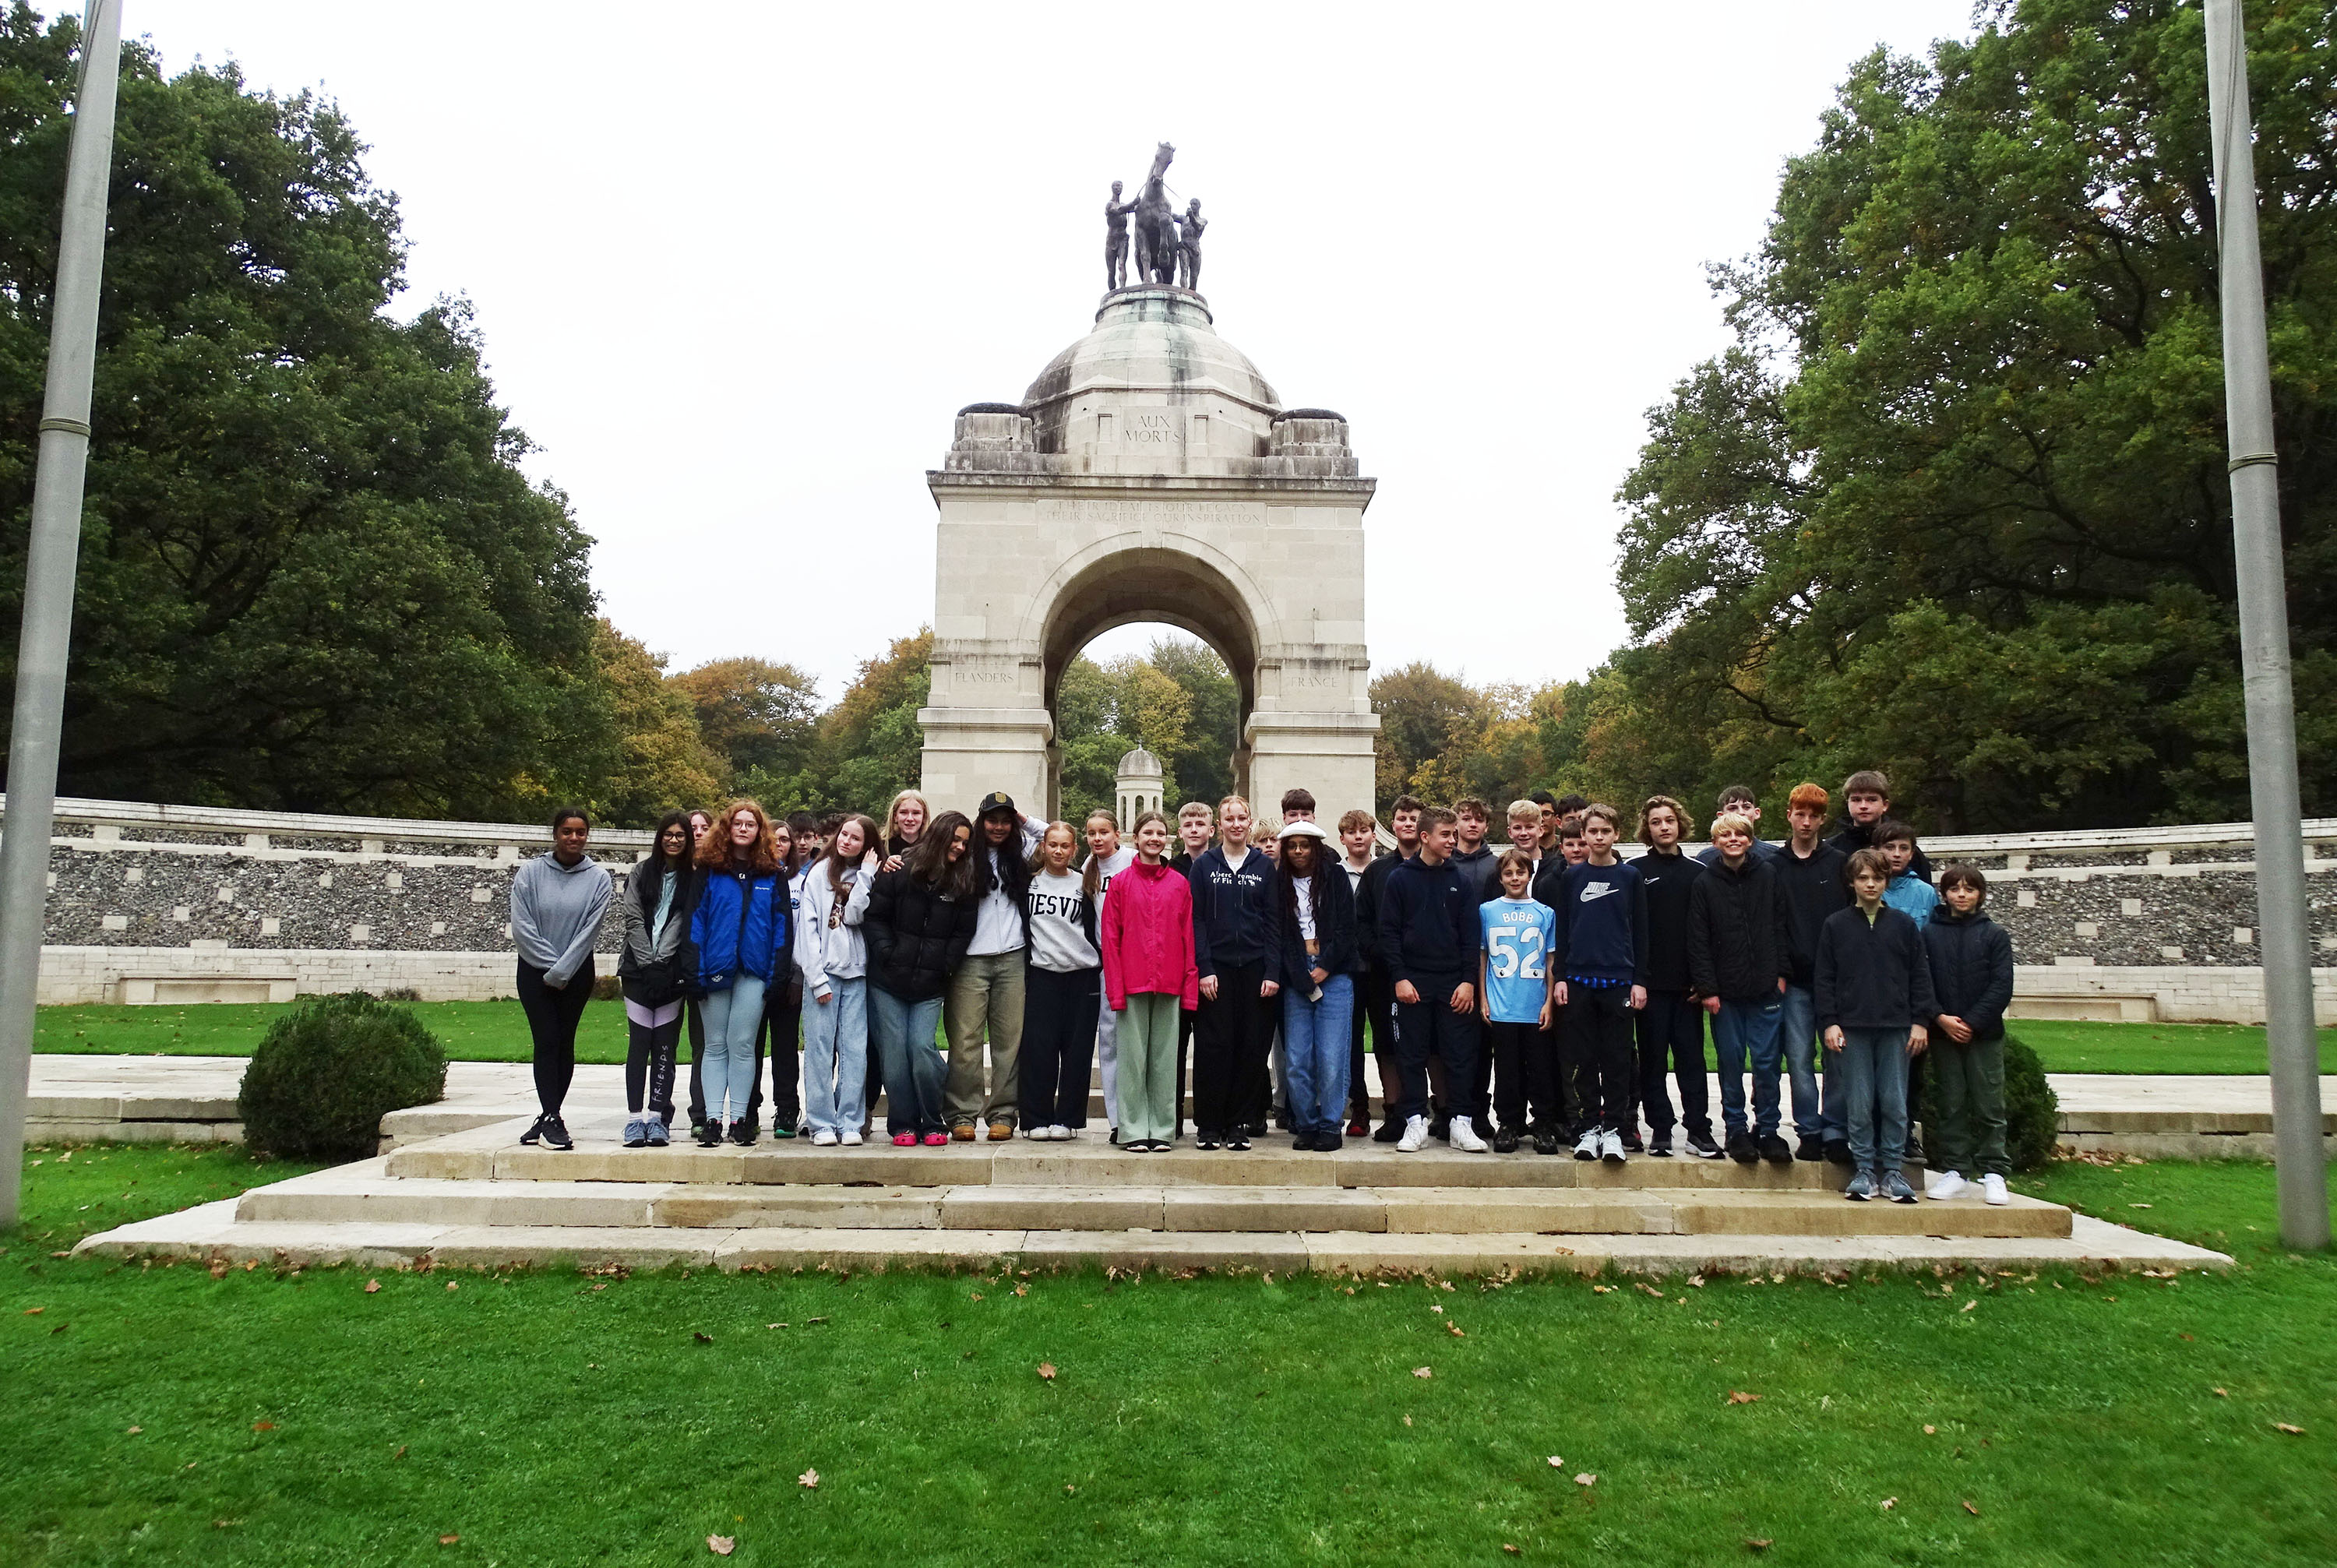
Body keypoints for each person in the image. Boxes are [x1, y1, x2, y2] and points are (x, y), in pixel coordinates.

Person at [1816, 848, 1935, 1203]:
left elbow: (1920, 976)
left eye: (1877, 879)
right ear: (1852, 882)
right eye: (1864, 878)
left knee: (1895, 1101)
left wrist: (1920, 1022)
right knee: (1860, 1101)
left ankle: (1894, 1170)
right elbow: (1825, 978)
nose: (1871, 884)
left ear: (1886, 882)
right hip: (1852, 1027)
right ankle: (1865, 1169)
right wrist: (1830, 1023)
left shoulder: (1903, 925)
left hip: (1896, 1027)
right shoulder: (1836, 925)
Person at [1688, 810, 1796, 1167]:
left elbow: (1780, 925)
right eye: (1726, 835)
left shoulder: (1768, 875)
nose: (1733, 840)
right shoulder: (1705, 883)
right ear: (1715, 842)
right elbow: (1699, 940)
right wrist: (1707, 988)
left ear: (1750, 840)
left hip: (1765, 986)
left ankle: (1768, 1128)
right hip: (1726, 992)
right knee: (1731, 1061)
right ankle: (1735, 1127)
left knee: (1766, 1063)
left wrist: (1781, 973)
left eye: (1740, 835)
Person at [865, 812, 978, 1146]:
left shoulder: (963, 879)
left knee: (922, 1049)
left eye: (964, 843)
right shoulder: (900, 869)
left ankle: (933, 1120)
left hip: (930, 983)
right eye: (955, 839)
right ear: (940, 836)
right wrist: (887, 951)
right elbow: (875, 917)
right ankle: (903, 1123)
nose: (959, 847)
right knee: (894, 1056)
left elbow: (963, 932)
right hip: (888, 980)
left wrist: (946, 963)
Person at [1378, 805, 1484, 1153]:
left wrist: (1468, 981)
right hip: (1412, 983)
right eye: (1446, 834)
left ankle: (1461, 1123)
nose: (1453, 840)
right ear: (1425, 837)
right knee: (1410, 1054)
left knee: (1459, 1055)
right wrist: (1400, 977)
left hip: (1454, 983)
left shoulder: (1461, 881)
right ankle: (1413, 1122)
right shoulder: (1400, 879)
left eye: (1455, 834)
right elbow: (1389, 933)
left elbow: (1471, 937)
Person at [1547, 803, 1647, 1165]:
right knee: (1584, 1059)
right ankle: (1589, 1127)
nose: (1599, 837)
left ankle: (1615, 1130)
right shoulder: (1572, 878)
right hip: (1578, 981)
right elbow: (1564, 929)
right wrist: (1561, 978)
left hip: (1619, 980)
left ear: (1616, 834)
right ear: (1583, 837)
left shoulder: (1629, 877)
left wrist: (1639, 981)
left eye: (1606, 831)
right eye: (1593, 832)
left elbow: (1641, 932)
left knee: (1618, 1059)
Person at [688, 801, 790, 1147]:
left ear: (760, 831)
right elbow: (696, 922)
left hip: (755, 971)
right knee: (715, 1045)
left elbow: (781, 927)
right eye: (738, 823)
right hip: (715, 969)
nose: (744, 828)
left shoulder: (773, 874)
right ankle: (713, 1119)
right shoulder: (708, 870)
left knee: (743, 1045)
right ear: (727, 829)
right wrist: (695, 970)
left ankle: (741, 1119)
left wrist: (777, 974)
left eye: (751, 824)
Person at [511, 807, 613, 1151]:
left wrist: (565, 970)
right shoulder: (529, 873)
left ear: (587, 836)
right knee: (547, 1039)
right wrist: (552, 968)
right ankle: (553, 1118)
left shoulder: (599, 879)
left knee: (565, 1041)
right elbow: (523, 929)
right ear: (555, 833)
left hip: (577, 974)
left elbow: (589, 931)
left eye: (580, 832)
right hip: (534, 973)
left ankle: (548, 1115)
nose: (573, 838)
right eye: (567, 831)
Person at [946, 791, 1044, 1140]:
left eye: (1005, 820)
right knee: (965, 1041)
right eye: (992, 820)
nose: (999, 827)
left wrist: (1025, 820)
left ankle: (1003, 1112)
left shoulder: (1023, 855)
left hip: (1013, 957)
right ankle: (962, 1114)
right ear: (981, 821)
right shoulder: (963, 856)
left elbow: (1053, 837)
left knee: (1009, 1042)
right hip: (971, 959)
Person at [1102, 809, 1198, 1152]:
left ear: (1167, 839)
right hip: (1132, 984)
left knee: (1163, 1060)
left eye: (1160, 833)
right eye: (1148, 833)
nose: (1154, 839)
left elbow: (1188, 938)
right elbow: (1110, 941)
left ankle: (1161, 1128)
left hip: (1170, 984)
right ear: (1135, 838)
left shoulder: (1179, 884)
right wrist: (1115, 990)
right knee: (1132, 1060)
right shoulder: (1122, 885)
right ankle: (1131, 1129)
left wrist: (1189, 989)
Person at [1264, 820, 1362, 1150]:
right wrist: (1300, 975)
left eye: (1305, 845)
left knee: (1332, 1057)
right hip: (1296, 977)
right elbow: (1279, 934)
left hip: (1334, 975)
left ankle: (1330, 1124)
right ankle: (1306, 1123)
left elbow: (1348, 929)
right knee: (1296, 1059)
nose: (1298, 852)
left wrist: (1324, 968)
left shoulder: (1334, 877)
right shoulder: (1280, 883)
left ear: (1316, 847)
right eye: (1292, 846)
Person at [1922, 863, 2016, 1205]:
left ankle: (1994, 1171)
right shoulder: (1929, 934)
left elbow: (2001, 985)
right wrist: (1941, 1018)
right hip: (1943, 1033)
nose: (1961, 895)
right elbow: (1922, 981)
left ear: (1981, 894)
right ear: (1944, 893)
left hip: (1984, 1035)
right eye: (1955, 888)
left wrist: (1972, 1022)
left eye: (1969, 889)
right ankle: (1955, 1169)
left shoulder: (1994, 935)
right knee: (1951, 1102)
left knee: (1989, 1103)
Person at [1190, 795, 1276, 1150]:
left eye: (1242, 818)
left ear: (1250, 821)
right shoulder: (1205, 866)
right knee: (1214, 1047)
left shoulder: (1263, 866)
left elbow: (1274, 922)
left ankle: (1237, 1123)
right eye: (1230, 818)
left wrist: (1272, 970)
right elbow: (1195, 921)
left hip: (1255, 969)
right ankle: (1209, 1124)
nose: (1237, 824)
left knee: (1250, 1047)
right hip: (1217, 971)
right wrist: (1204, 968)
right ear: (1220, 824)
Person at [1775, 783, 1852, 1162]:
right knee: (1799, 1058)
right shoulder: (1773, 866)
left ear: (1822, 819)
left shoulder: (1839, 864)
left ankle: (1836, 1129)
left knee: (1837, 1056)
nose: (1806, 823)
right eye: (1800, 814)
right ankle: (1809, 1129)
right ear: (1789, 814)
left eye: (1814, 816)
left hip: (1836, 980)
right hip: (1796, 980)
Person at [1634, 795, 1711, 1158]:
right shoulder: (1634, 872)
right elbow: (1632, 931)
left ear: (1680, 824)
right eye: (1655, 822)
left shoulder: (1698, 873)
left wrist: (1703, 980)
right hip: (1649, 986)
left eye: (1669, 820)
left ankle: (1698, 1129)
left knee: (1691, 1060)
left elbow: (1705, 932)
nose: (1664, 826)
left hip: (1688, 989)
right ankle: (1660, 1130)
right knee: (1652, 1061)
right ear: (1647, 829)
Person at [795, 813, 879, 1147]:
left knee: (855, 1051)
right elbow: (809, 930)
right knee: (818, 1050)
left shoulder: (868, 874)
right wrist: (816, 979)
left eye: (855, 838)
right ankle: (820, 1122)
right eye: (844, 835)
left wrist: (867, 879)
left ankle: (849, 1121)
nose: (846, 841)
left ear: (867, 845)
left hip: (856, 974)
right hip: (824, 974)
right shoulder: (818, 874)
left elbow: (856, 916)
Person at [1021, 821, 1104, 1141]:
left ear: (1074, 850)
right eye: (1052, 844)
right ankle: (1035, 1118)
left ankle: (1068, 1119)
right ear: (1043, 847)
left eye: (1065, 845)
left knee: (1077, 1051)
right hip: (1042, 974)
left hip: (1081, 976)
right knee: (1038, 1049)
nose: (1058, 850)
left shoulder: (1085, 884)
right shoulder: (1028, 884)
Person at [618, 812, 694, 1148]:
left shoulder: (693, 878)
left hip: (671, 975)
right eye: (669, 834)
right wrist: (647, 962)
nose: (674, 840)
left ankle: (657, 1116)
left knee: (665, 1047)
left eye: (681, 835)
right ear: (659, 837)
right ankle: (635, 1119)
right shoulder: (640, 873)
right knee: (639, 1045)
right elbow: (633, 919)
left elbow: (680, 921)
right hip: (637, 972)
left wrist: (662, 963)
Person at [1480, 849, 1560, 1154]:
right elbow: (1483, 958)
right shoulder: (1488, 911)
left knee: (1540, 1068)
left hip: (1534, 1003)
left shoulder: (1545, 913)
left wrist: (1549, 1003)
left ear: (1530, 875)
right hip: (1502, 1005)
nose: (1515, 878)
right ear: (1500, 878)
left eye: (1520, 873)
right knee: (1507, 1069)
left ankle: (1542, 1123)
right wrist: (1483, 998)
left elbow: (1551, 961)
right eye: (1508, 874)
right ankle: (1509, 1122)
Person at [1357, 795, 1424, 1142]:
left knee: (1432, 1045)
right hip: (1384, 975)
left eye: (1414, 818)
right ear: (1393, 824)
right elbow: (1363, 922)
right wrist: (1384, 955)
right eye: (1402, 818)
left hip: (1429, 973)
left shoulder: (1442, 866)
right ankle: (1395, 1111)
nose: (1408, 824)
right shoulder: (1378, 871)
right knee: (1387, 1044)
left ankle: (1436, 1112)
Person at [1080, 809, 1137, 1138]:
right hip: (1106, 964)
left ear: (1118, 833)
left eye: (1104, 832)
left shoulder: (1132, 859)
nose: (1097, 838)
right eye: (1091, 833)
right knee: (1111, 1042)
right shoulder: (1088, 869)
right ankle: (1117, 1120)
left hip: (1138, 962)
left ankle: (1141, 1113)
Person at [1168, 801, 1217, 1140]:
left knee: (1212, 1048)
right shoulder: (1170, 868)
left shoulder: (1221, 866)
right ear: (1181, 832)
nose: (1195, 829)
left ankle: (1208, 1118)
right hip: (1178, 966)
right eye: (1189, 825)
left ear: (1211, 830)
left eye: (1201, 824)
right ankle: (1171, 1117)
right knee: (1174, 1048)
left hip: (1213, 965)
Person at [1336, 808, 1380, 1138]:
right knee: (1349, 1043)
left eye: (1364, 830)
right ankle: (1358, 1107)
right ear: (1343, 839)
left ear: (1373, 835)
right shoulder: (1335, 875)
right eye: (1352, 832)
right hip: (1347, 970)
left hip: (1380, 970)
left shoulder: (1386, 872)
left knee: (1386, 1041)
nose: (1359, 836)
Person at [1828, 770, 1933, 880]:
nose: (1863, 806)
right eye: (1856, 800)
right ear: (1848, 804)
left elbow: (1924, 890)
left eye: (1872, 800)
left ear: (1885, 805)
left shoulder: (1904, 849)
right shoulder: (1833, 849)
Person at [1873, 820, 1940, 927]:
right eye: (1889, 848)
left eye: (1904, 848)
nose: (1897, 854)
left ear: (1911, 854)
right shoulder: (1866, 888)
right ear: (1876, 851)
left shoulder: (1926, 892)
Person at [1696, 786, 1780, 864]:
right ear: (1721, 816)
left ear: (1757, 813)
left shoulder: (1774, 856)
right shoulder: (1706, 858)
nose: (1741, 813)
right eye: (1733, 808)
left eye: (1746, 807)